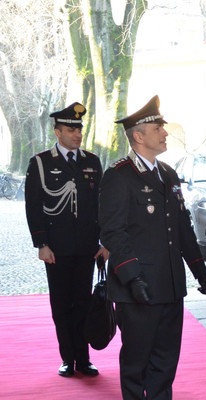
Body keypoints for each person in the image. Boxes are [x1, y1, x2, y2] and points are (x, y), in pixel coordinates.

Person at [99, 95, 206, 400]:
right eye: (157, 128)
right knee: (137, 357)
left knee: (166, 356)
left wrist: (198, 270)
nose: (164, 132)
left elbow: (181, 227)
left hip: (169, 285)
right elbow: (112, 232)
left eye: (162, 126)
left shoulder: (168, 173)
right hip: (137, 287)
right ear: (137, 136)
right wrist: (132, 277)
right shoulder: (119, 176)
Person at [24, 102, 109, 378]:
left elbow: (102, 205)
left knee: (83, 302)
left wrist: (104, 241)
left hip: (87, 248)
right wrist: (41, 244)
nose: (77, 134)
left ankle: (83, 359)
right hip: (56, 249)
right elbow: (33, 205)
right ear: (57, 132)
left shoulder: (91, 161)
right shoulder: (40, 163)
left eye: (79, 129)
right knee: (61, 304)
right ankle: (67, 358)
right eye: (71, 129)